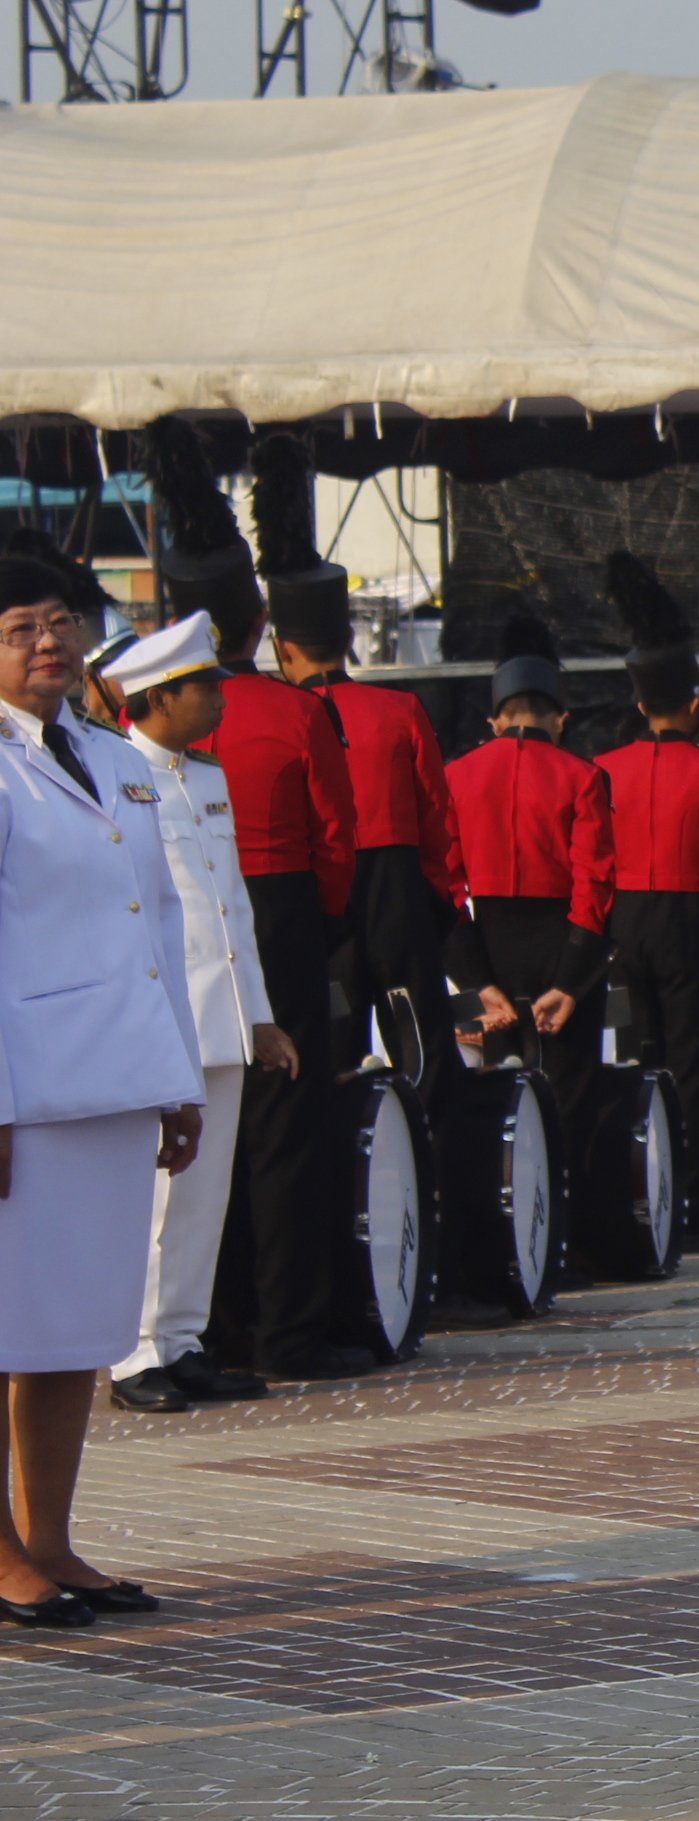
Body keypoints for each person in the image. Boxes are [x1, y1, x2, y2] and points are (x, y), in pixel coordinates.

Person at [0, 557, 208, 1621]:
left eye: (64, 621)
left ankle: (53, 1542)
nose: (50, 642)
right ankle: (1, 1556)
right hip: (25, 1091)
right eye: (22, 627)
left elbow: (159, 927)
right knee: (3, 1329)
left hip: (115, 1081)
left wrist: (176, 1075)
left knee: (73, 1330)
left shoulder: (108, 755)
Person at [142, 421, 367, 1385]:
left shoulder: (166, 740)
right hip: (278, 921)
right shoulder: (296, 711)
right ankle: (283, 1331)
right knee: (281, 1148)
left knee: (200, 1158)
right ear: (253, 628)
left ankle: (210, 1328)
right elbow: (335, 844)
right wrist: (326, 934)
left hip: (208, 937)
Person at [105, 616, 301, 1414]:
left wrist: (258, 1015)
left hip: (218, 1019)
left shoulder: (207, 777)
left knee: (205, 1194)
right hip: (159, 1017)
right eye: (205, 688)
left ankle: (183, 1341)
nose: (220, 700)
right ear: (158, 697)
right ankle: (133, 1353)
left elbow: (232, 911)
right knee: (155, 1196)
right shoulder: (114, 770)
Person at [250, 433, 467, 1092]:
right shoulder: (399, 712)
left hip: (323, 899)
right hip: (398, 891)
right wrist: (441, 906)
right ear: (349, 639)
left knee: (331, 1054)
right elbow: (438, 821)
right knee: (420, 1054)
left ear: (282, 649)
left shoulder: (276, 718)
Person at [596, 550, 699, 1249]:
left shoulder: (604, 768)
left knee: (643, 1059)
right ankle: (692, 1207)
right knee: (693, 1068)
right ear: (695, 702)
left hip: (624, 922)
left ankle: (641, 1197)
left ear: (639, 704)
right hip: (690, 921)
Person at [447, 615, 616, 1100]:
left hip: (489, 947)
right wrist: (571, 981)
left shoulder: (457, 775)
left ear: (495, 721)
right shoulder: (583, 776)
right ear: (561, 719)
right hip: (564, 945)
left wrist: (475, 980)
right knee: (571, 1102)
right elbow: (596, 882)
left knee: (502, 1102)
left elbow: (443, 886)